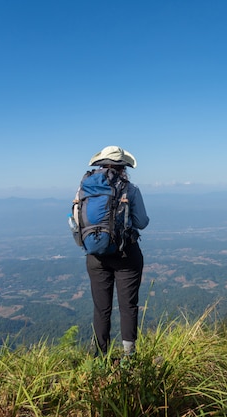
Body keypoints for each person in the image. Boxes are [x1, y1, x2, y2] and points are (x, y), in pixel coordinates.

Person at [83, 146, 149, 356]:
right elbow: (142, 222)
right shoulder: (130, 189)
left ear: (101, 164)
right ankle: (129, 357)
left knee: (101, 309)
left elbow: (75, 222)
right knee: (128, 306)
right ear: (124, 167)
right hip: (125, 255)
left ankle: (100, 357)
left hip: (95, 256)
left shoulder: (84, 189)